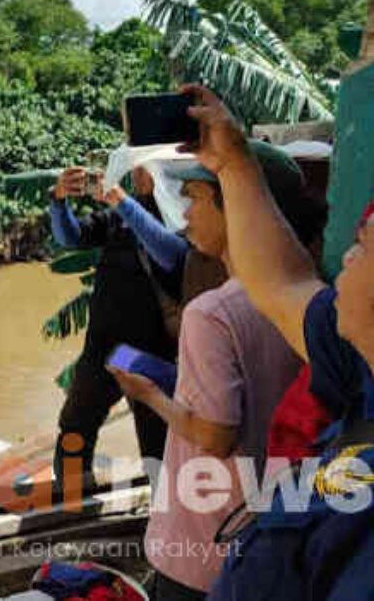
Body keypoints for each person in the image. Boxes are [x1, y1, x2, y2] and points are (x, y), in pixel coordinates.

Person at [174, 84, 374, 601]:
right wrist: (233, 162)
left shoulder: (210, 314)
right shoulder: (358, 363)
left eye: (364, 244)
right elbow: (283, 284)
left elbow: (215, 434)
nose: (346, 259)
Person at [109, 141, 315, 600]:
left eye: (198, 198)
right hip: (268, 534)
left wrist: (148, 394)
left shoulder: (213, 313)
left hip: (202, 546)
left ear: (240, 207)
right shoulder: (314, 302)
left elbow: (214, 435)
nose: (185, 212)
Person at [48, 166, 191, 490]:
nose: (138, 172)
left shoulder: (182, 220)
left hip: (148, 354)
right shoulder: (118, 218)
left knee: (157, 442)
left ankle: (166, 521)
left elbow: (170, 255)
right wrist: (58, 200)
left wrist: (122, 202)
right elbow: (70, 237)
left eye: (146, 166)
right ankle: (72, 501)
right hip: (103, 348)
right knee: (75, 425)